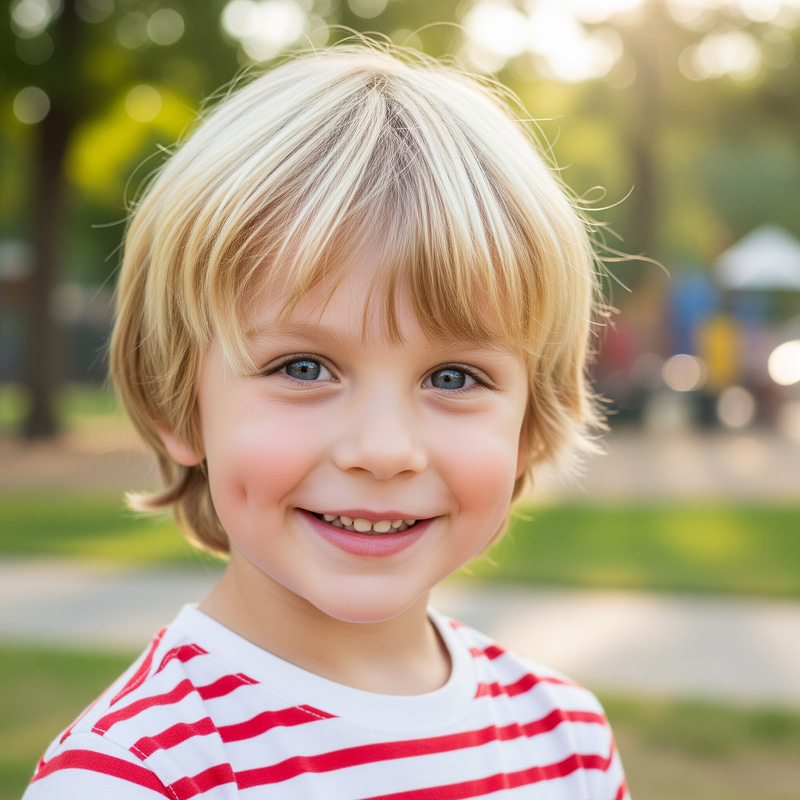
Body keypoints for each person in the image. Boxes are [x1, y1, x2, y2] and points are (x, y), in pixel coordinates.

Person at [24, 44, 628, 799]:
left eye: (453, 377)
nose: (384, 450)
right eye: (303, 368)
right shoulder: (138, 777)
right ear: (172, 400)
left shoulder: (569, 743)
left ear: (530, 426)